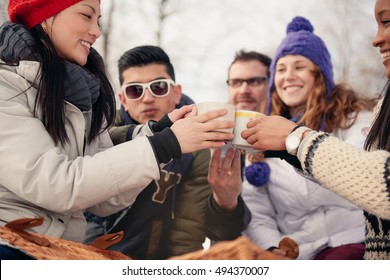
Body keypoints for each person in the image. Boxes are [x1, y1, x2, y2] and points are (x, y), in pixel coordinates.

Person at [0, 0, 234, 259]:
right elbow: (56, 184)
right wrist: (164, 145)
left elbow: (104, 201)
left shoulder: (86, 93)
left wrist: (159, 135)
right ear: (44, 16)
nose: (96, 31)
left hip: (60, 249)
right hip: (11, 242)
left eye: (98, 20)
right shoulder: (6, 86)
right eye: (86, 15)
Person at [241, 5, 390, 260]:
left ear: (319, 75)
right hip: (301, 255)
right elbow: (257, 209)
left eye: (299, 67)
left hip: (356, 246)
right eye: (281, 69)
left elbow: (359, 171)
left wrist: (294, 139)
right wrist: (274, 248)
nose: (288, 76)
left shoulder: (354, 118)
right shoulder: (263, 133)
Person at [84, 45, 251, 260]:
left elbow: (187, 232)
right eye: (135, 90)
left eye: (159, 87)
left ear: (176, 93)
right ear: (123, 99)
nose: (147, 98)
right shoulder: (97, 130)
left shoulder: (196, 151)